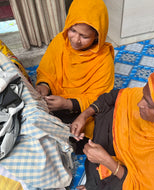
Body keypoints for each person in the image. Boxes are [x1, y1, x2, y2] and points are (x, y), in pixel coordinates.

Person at [35, 0, 114, 140]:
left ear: (97, 35)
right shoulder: (60, 41)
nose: (76, 40)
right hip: (54, 98)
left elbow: (100, 96)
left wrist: (67, 104)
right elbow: (47, 70)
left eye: (84, 36)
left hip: (80, 107)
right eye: (73, 30)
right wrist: (44, 85)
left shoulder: (103, 58)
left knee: (93, 134)